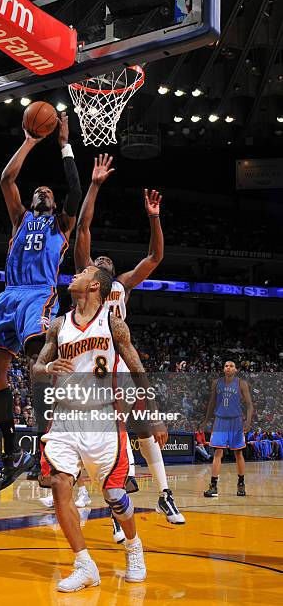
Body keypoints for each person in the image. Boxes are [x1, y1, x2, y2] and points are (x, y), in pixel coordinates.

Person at [33, 265, 168, 592]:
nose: (75, 274)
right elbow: (36, 369)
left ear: (94, 285)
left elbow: (137, 370)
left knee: (115, 496)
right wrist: (48, 366)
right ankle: (84, 564)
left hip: (103, 418)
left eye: (82, 272)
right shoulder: (58, 324)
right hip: (65, 417)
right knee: (59, 484)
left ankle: (133, 547)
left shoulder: (113, 324)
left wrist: (154, 414)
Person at [72, 154, 184, 525]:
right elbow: (84, 228)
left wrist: (154, 217)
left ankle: (164, 493)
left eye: (106, 260)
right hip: (90, 365)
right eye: (95, 260)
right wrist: (95, 185)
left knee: (146, 425)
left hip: (119, 360)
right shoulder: (89, 284)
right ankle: (102, 484)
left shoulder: (121, 285)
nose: (100, 259)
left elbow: (155, 256)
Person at [0, 112, 83, 493]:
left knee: (36, 363)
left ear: (55, 202)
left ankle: (48, 452)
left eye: (48, 191)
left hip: (38, 294)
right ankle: (11, 456)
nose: (42, 190)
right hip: (8, 296)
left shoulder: (61, 224)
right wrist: (28, 140)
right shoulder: (19, 219)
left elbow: (75, 191)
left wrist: (63, 145)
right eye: (38, 190)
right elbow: (6, 179)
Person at [200, 361, 253, 497]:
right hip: (220, 421)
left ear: (236, 369)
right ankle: (213, 486)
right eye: (226, 366)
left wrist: (247, 421)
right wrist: (206, 420)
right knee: (218, 452)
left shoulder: (241, 383)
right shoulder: (216, 383)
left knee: (238, 453)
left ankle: (241, 484)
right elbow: (212, 402)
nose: (228, 367)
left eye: (231, 366)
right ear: (223, 369)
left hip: (236, 420)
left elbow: (249, 405)